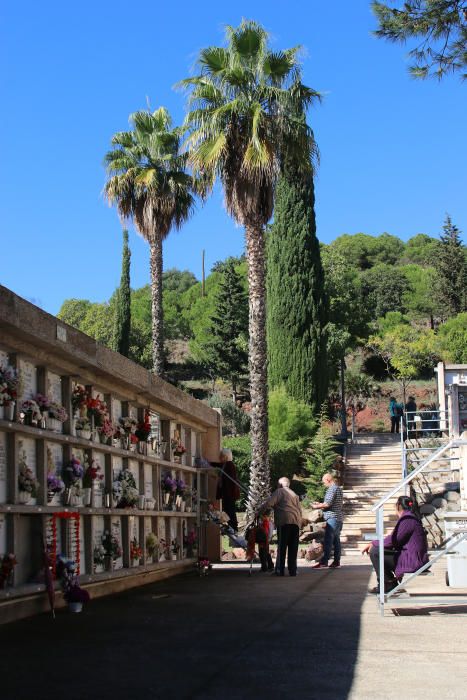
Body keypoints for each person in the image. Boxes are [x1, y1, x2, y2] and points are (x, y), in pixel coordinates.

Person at [362, 495, 429, 593]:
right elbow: (395, 539)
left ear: (398, 506)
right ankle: (389, 583)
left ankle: (387, 584)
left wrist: (373, 543)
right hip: (413, 557)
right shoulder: (409, 518)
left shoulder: (407, 519)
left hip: (413, 560)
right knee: (378, 550)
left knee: (375, 552)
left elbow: (393, 541)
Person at [257, 477, 302, 576]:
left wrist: (259, 512)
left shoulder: (279, 491)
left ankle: (279, 570)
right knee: (293, 547)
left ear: (281, 484)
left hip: (284, 521)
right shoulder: (294, 494)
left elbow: (269, 503)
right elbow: (299, 509)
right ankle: (292, 570)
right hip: (296, 522)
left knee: (282, 546)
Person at [311, 472, 344, 569]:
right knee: (336, 541)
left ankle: (324, 563)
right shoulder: (338, 488)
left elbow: (327, 504)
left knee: (328, 541)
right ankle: (336, 562)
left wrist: (316, 506)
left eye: (324, 482)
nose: (323, 484)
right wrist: (321, 503)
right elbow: (331, 503)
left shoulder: (331, 489)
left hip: (332, 518)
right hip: (338, 518)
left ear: (328, 480)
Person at [216, 448, 240, 532]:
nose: (219, 458)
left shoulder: (229, 465)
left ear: (225, 457)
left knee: (230, 512)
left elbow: (231, 481)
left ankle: (233, 529)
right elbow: (217, 465)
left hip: (229, 494)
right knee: (228, 511)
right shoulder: (225, 465)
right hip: (227, 494)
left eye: (221, 456)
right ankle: (232, 528)